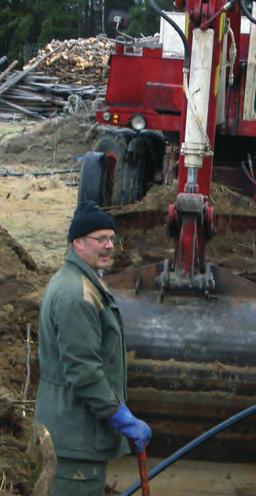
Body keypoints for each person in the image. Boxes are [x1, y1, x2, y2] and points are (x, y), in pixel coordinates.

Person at [34, 201, 151, 495]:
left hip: (74, 434)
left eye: (112, 238)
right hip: (75, 439)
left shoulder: (82, 283)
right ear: (77, 242)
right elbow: (84, 370)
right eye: (100, 239)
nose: (109, 246)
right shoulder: (77, 295)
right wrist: (119, 416)